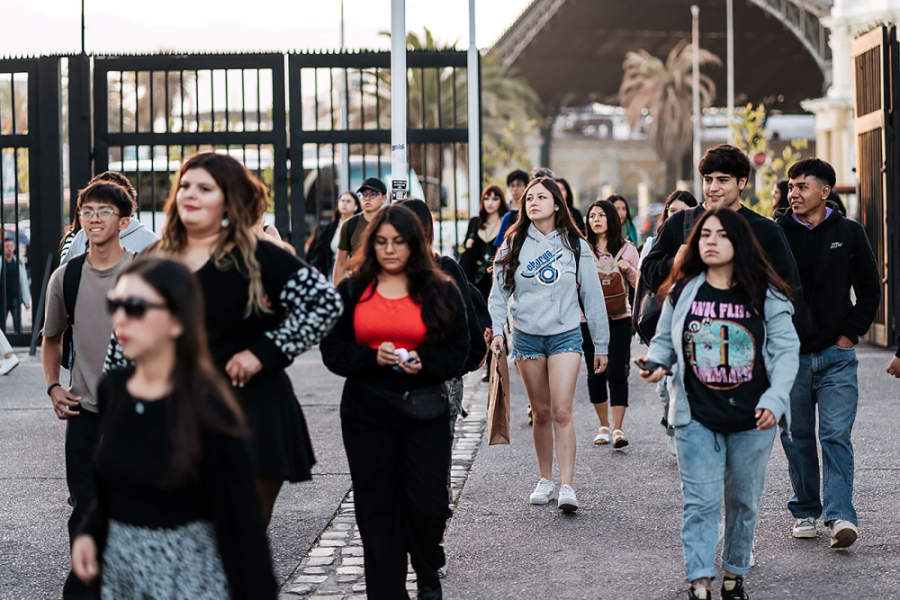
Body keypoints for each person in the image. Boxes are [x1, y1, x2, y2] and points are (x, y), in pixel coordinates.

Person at [108, 152, 343, 526]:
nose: (190, 194)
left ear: (229, 199)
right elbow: (122, 339)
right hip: (174, 415)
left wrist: (263, 353)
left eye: (205, 187)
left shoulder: (258, 256)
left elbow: (325, 303)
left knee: (236, 541)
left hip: (251, 414)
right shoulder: (154, 258)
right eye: (185, 185)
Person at [70, 257, 276, 599]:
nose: (120, 318)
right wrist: (89, 534)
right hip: (118, 574)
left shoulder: (210, 409)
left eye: (136, 306)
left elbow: (244, 530)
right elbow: (108, 488)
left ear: (178, 319)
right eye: (115, 304)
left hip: (185, 577)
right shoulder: (116, 388)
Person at [639, 207, 800, 600]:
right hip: (696, 416)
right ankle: (699, 581)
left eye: (721, 235)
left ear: (739, 242)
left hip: (753, 418)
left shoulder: (766, 292)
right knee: (700, 502)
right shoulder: (685, 290)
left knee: (743, 503)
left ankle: (734, 572)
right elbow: (663, 340)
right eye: (704, 234)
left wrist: (776, 400)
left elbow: (786, 351)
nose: (710, 240)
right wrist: (656, 364)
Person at [320, 204, 469, 600]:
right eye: (382, 242)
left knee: (427, 506)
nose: (389, 250)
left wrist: (426, 362)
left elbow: (459, 350)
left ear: (414, 244)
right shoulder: (353, 289)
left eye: (399, 242)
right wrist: (372, 357)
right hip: (367, 411)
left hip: (425, 410)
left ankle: (426, 566)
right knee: (376, 511)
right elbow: (333, 350)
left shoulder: (440, 288)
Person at [776, 158, 880, 548]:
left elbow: (870, 289)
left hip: (837, 355)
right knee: (797, 436)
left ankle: (840, 516)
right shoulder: (777, 232)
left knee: (835, 435)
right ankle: (805, 511)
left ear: (825, 191)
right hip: (791, 356)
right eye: (790, 186)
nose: (793, 194)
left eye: (802, 186)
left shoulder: (849, 232)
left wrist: (849, 334)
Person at [489, 177, 610, 512]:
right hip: (526, 336)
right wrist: (497, 329)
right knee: (541, 413)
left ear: (557, 204)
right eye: (529, 198)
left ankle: (568, 485)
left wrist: (601, 344)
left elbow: (592, 296)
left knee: (561, 410)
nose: (533, 202)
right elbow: (498, 293)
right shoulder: (512, 243)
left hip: (566, 334)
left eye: (541, 197)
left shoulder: (575, 244)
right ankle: (546, 478)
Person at [42, 181, 137, 600]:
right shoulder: (68, 275)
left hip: (136, 416)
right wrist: (52, 387)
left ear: (124, 221)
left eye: (104, 211)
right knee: (84, 511)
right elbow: (52, 337)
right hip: (85, 413)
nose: (94, 219)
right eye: (87, 211)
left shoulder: (144, 270)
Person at [641, 144, 800, 299]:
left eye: (722, 180)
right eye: (708, 180)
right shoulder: (679, 221)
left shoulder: (765, 229)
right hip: (691, 323)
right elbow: (648, 273)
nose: (713, 188)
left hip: (746, 321)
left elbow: (789, 288)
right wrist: (675, 263)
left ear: (741, 182)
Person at [637, 190, 698, 456]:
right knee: (665, 388)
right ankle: (672, 426)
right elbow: (644, 282)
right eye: (671, 211)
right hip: (663, 319)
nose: (676, 216)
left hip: (698, 328)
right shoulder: (654, 242)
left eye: (682, 211)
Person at [582, 200, 639, 448]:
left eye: (602, 215)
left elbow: (641, 283)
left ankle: (618, 429)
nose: (596, 220)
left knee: (617, 371)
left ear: (612, 219)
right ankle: (602, 425)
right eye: (592, 216)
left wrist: (628, 270)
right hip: (588, 321)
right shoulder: (582, 249)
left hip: (620, 318)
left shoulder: (628, 249)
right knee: (595, 372)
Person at [61, 171, 159, 265]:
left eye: (105, 211)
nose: (95, 218)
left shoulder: (151, 243)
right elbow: (64, 277)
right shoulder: (81, 237)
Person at [333, 178, 387, 285]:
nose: (368, 198)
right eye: (364, 194)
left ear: (383, 198)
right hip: (358, 285)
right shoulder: (350, 225)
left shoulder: (391, 222)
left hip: (385, 285)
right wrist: (338, 294)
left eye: (373, 194)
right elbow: (340, 263)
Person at [460, 185, 509, 301]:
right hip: (475, 277)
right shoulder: (475, 222)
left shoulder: (506, 222)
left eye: (495, 199)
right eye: (486, 199)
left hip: (496, 275)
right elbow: (466, 248)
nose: (490, 203)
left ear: (501, 201)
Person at [307, 191, 361, 278]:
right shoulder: (331, 227)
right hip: (333, 267)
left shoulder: (359, 226)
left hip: (354, 268)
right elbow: (320, 251)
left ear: (355, 207)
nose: (344, 204)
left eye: (348, 201)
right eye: (342, 201)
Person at [492, 169, 530, 248]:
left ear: (526, 187)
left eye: (519, 185)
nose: (515, 189)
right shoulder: (501, 209)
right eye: (512, 186)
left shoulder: (530, 210)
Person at [2, 237, 30, 335]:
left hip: (15, 297)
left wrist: (26, 299)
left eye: (11, 246)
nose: (9, 248)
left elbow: (23, 282)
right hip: (2, 297)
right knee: (1, 324)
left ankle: (19, 340)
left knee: (17, 322)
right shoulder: (1, 262)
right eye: (6, 246)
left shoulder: (18, 262)